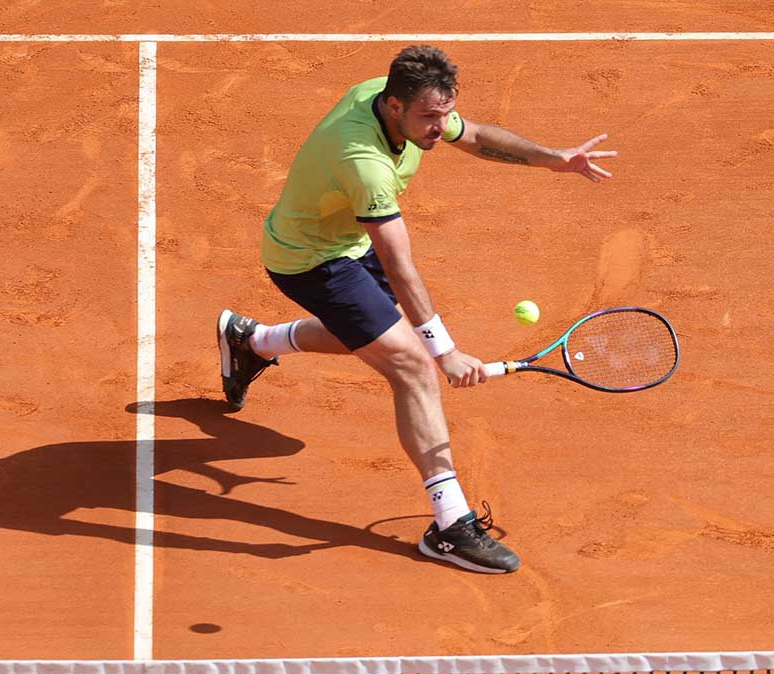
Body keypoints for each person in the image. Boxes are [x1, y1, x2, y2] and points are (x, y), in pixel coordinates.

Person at [217, 45, 615, 574]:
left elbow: (472, 135)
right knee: (411, 364)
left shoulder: (395, 101)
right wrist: (444, 351)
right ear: (394, 107)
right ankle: (450, 527)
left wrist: (552, 158)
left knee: (373, 339)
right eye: (430, 117)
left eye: (445, 112)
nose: (440, 127)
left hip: (344, 242)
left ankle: (253, 340)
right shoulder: (364, 163)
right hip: (307, 259)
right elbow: (400, 265)